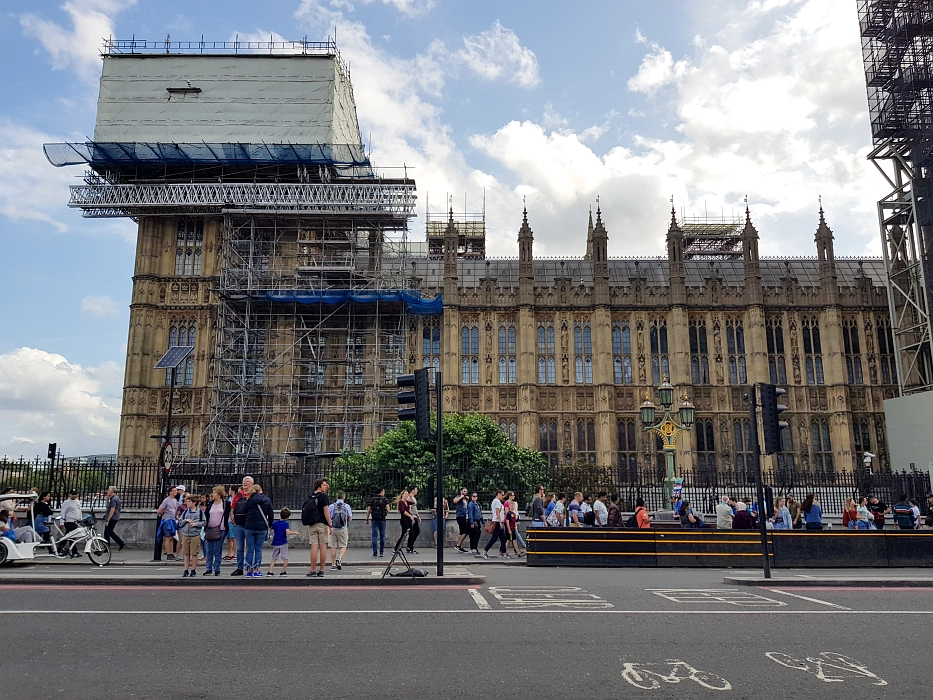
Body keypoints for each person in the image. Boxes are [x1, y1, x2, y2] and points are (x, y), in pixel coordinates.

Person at [303, 479, 332, 578]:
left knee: (314, 548)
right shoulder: (323, 497)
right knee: (323, 547)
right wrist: (330, 525)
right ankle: (322, 570)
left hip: (312, 524)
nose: (326, 486)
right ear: (319, 486)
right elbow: (326, 511)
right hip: (322, 524)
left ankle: (313, 570)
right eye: (324, 485)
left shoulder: (310, 496)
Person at [243, 484, 273, 577]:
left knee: (250, 549)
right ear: (261, 490)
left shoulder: (250, 500)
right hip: (262, 527)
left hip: (250, 526)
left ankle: (248, 569)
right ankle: (256, 569)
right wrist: (270, 525)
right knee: (258, 549)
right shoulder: (267, 500)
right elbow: (270, 514)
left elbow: (244, 510)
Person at [229, 476, 255, 575]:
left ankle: (249, 566)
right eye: (244, 481)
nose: (245, 483)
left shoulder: (254, 495)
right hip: (239, 524)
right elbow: (232, 508)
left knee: (249, 547)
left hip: (249, 524)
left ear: (252, 484)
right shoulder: (237, 496)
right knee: (240, 548)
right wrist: (232, 518)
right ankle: (240, 568)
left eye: (247, 481)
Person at [202, 486, 229, 576]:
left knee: (217, 550)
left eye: (214, 492)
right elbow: (206, 515)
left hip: (221, 529)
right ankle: (208, 568)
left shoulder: (226, 503)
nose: (212, 494)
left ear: (219, 494)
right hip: (210, 529)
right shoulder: (210, 504)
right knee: (209, 550)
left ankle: (217, 568)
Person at [177, 495, 205, 577]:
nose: (187, 503)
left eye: (189, 501)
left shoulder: (200, 512)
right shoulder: (185, 512)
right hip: (186, 535)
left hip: (195, 535)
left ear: (194, 503)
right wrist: (186, 520)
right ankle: (186, 570)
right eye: (187, 501)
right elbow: (180, 523)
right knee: (186, 553)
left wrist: (195, 524)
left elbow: (203, 522)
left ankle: (193, 570)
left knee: (194, 553)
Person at [268, 508, 297, 576]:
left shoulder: (275, 523)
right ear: (288, 517)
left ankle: (270, 571)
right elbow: (288, 532)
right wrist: (295, 533)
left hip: (275, 542)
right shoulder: (285, 524)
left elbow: (271, 532)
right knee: (285, 557)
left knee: (274, 558)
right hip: (283, 542)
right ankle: (283, 571)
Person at [481, 489, 509, 559]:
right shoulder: (497, 502)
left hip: (499, 521)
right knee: (494, 538)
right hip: (497, 522)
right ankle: (485, 551)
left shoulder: (497, 501)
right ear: (498, 494)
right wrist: (500, 522)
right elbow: (497, 512)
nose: (503, 496)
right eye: (502, 495)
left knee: (503, 538)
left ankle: (504, 552)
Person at [328, 491, 352, 570]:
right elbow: (350, 518)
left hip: (332, 528)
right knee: (343, 545)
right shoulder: (346, 506)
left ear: (336, 497)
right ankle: (339, 558)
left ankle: (333, 565)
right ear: (344, 497)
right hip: (343, 528)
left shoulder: (331, 506)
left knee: (333, 546)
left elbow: (328, 517)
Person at [366, 488, 390, 557]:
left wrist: (367, 519)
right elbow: (388, 510)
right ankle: (381, 551)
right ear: (381, 492)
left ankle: (375, 552)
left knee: (374, 536)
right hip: (382, 519)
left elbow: (368, 511)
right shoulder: (384, 499)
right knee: (382, 535)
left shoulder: (372, 499)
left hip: (374, 519)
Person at [102, 486, 125, 551]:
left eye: (108, 490)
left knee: (106, 533)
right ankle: (120, 543)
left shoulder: (114, 499)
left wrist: (108, 520)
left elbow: (112, 510)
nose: (107, 491)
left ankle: (107, 547)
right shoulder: (114, 498)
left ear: (112, 491)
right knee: (110, 532)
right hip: (115, 517)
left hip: (112, 518)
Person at [503, 491, 523, 557]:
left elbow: (514, 520)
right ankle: (504, 551)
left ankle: (518, 552)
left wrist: (515, 525)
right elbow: (507, 518)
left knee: (513, 539)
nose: (514, 496)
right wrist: (509, 529)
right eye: (513, 495)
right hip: (509, 526)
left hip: (512, 526)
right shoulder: (507, 506)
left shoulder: (513, 513)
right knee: (509, 539)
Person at [453, 487, 471, 551]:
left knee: (462, 532)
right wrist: (461, 496)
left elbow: (468, 499)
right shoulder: (458, 497)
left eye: (466, 491)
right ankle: (458, 545)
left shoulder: (466, 499)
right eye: (464, 491)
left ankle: (459, 545)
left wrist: (464, 497)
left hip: (465, 516)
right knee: (465, 531)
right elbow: (455, 501)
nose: (465, 492)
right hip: (460, 516)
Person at [406, 487, 422, 554]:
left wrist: (418, 516)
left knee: (416, 532)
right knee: (413, 532)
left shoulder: (413, 498)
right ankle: (410, 547)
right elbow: (409, 508)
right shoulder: (409, 498)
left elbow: (415, 508)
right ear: (412, 490)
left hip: (415, 516)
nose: (417, 491)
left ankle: (410, 546)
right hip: (412, 517)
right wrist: (411, 516)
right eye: (416, 490)